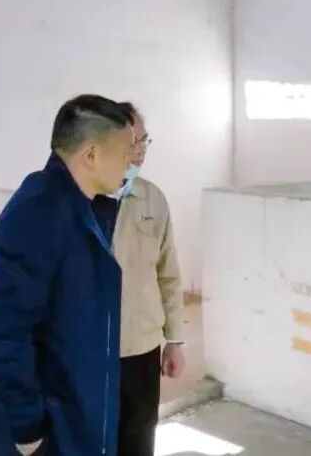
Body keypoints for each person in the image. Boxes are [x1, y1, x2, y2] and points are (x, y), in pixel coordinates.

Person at [0, 94, 134, 456]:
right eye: (124, 152)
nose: (131, 161)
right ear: (91, 155)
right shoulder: (40, 211)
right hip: (34, 429)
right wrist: (27, 429)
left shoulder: (84, 208)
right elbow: (5, 329)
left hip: (67, 415)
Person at [102, 102, 185, 456]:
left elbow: (169, 274)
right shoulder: (84, 197)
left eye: (144, 141)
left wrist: (174, 340)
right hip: (93, 347)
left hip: (142, 345)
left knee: (138, 437)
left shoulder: (153, 199)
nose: (139, 151)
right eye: (131, 141)